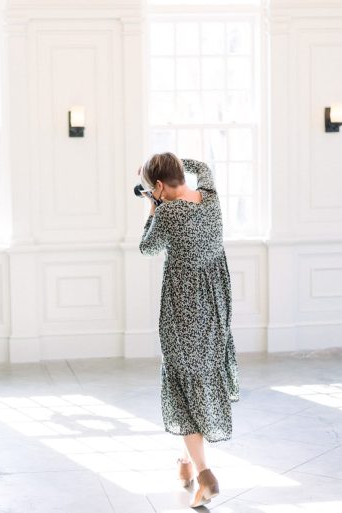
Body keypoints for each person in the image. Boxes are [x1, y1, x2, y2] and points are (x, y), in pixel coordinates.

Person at [138, 153, 239, 508]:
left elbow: (146, 247)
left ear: (159, 186)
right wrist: (169, 165)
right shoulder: (210, 197)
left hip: (184, 311)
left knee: (182, 388)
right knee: (200, 378)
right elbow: (203, 168)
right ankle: (184, 462)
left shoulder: (168, 213)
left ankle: (205, 474)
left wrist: (152, 208)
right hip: (215, 306)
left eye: (154, 188)